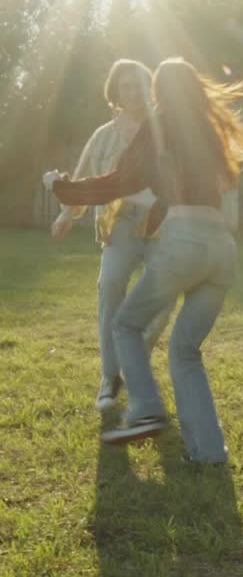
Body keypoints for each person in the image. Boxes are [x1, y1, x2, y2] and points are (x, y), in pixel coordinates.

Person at [44, 58, 243, 462]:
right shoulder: (210, 130)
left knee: (125, 325)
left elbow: (117, 182)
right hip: (222, 249)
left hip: (184, 245)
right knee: (186, 352)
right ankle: (209, 453)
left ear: (159, 91)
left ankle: (146, 408)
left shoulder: (159, 129)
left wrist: (61, 188)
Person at [51, 59, 169, 412]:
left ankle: (133, 360)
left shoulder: (165, 128)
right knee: (110, 287)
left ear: (150, 87)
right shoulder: (103, 135)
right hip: (119, 228)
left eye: (139, 84)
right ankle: (110, 377)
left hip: (161, 226)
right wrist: (66, 213)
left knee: (163, 301)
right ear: (115, 92)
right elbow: (84, 176)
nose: (133, 92)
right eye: (126, 86)